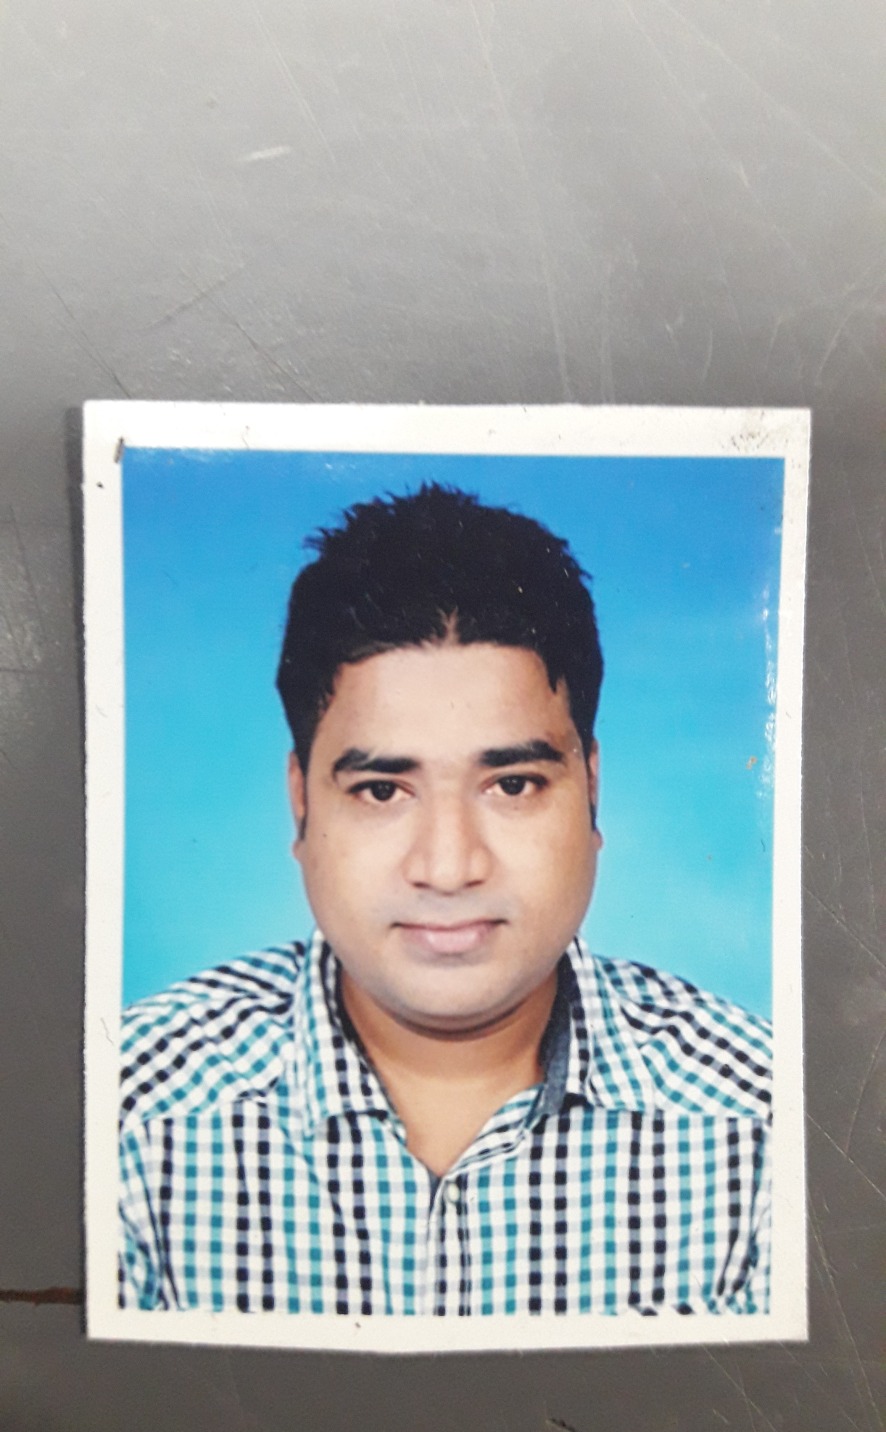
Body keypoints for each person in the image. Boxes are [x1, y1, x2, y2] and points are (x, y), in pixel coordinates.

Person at [119, 484, 771, 1317]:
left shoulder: (767, 1129)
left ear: (591, 789)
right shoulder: (127, 1118)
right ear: (301, 802)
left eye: (513, 783)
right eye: (383, 790)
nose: (450, 866)